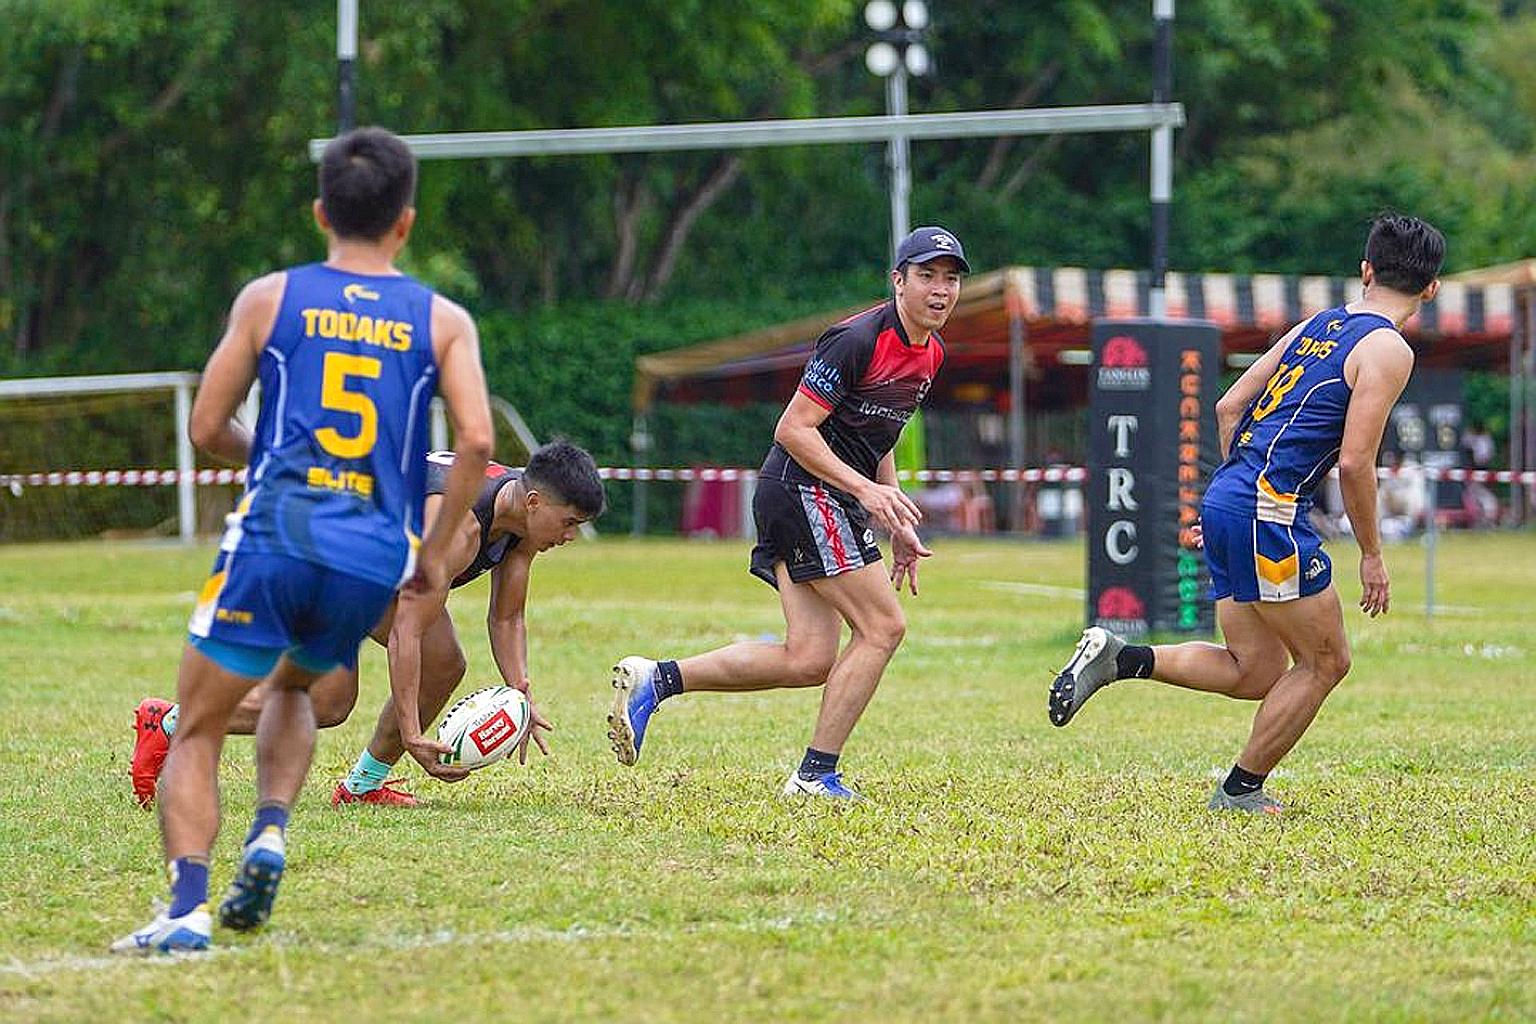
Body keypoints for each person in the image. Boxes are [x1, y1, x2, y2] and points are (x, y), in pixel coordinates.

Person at [112, 126, 495, 955]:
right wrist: (430, 557)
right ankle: (272, 833)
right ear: (406, 223)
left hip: (276, 534)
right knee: (298, 693)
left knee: (200, 726)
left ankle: (184, 911)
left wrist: (283, 459)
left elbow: (208, 426)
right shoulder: (442, 319)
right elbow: (474, 442)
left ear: (321, 211)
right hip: (370, 553)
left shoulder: (269, 298)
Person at [1048, 213, 1445, 814]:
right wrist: (1372, 555)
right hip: (1268, 512)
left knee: (1254, 670)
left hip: (1233, 496)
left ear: (1365, 271)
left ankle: (1120, 657)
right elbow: (1358, 464)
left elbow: (1229, 404)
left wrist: (1232, 491)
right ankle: (1241, 790)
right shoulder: (1388, 348)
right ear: (1431, 288)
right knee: (1326, 660)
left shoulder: (1317, 324)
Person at [606, 226, 969, 800]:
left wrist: (894, 512)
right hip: (803, 490)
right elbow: (793, 429)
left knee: (808, 658)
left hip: (823, 495)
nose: (940, 290)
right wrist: (866, 493)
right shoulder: (855, 340)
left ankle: (658, 679)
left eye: (950, 279)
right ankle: (815, 775)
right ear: (898, 281)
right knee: (883, 627)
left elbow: (882, 432)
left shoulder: (930, 353)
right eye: (927, 276)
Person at [129, 441, 605, 809]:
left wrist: (519, 689)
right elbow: (406, 633)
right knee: (331, 699)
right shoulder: (458, 529)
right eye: (569, 524)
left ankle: (363, 787)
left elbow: (506, 615)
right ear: (537, 502)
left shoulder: (521, 513)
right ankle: (169, 723)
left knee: (438, 666)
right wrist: (414, 734)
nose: (570, 536)